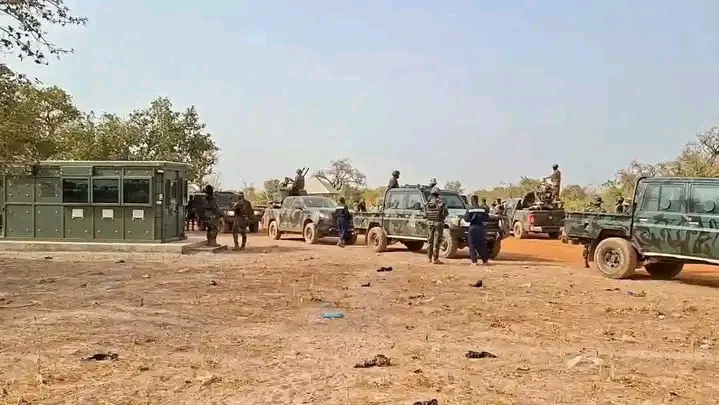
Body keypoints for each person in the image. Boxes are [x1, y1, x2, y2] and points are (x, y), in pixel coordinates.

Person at [581, 195, 606, 267]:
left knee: (587, 246)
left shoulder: (586, 208)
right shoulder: (601, 210)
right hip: (597, 230)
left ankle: (585, 260)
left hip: (587, 229)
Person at [425, 187, 449, 264]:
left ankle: (429, 258)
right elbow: (445, 213)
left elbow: (425, 213)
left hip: (430, 223)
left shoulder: (428, 202)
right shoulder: (440, 202)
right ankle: (435, 259)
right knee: (437, 241)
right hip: (438, 223)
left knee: (430, 241)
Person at [465, 195, 489, 266]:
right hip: (480, 227)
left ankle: (474, 262)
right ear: (477, 200)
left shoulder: (469, 208)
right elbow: (486, 218)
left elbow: (466, 219)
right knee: (481, 244)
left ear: (472, 201)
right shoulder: (483, 208)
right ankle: (485, 261)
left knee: (472, 245)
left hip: (472, 227)